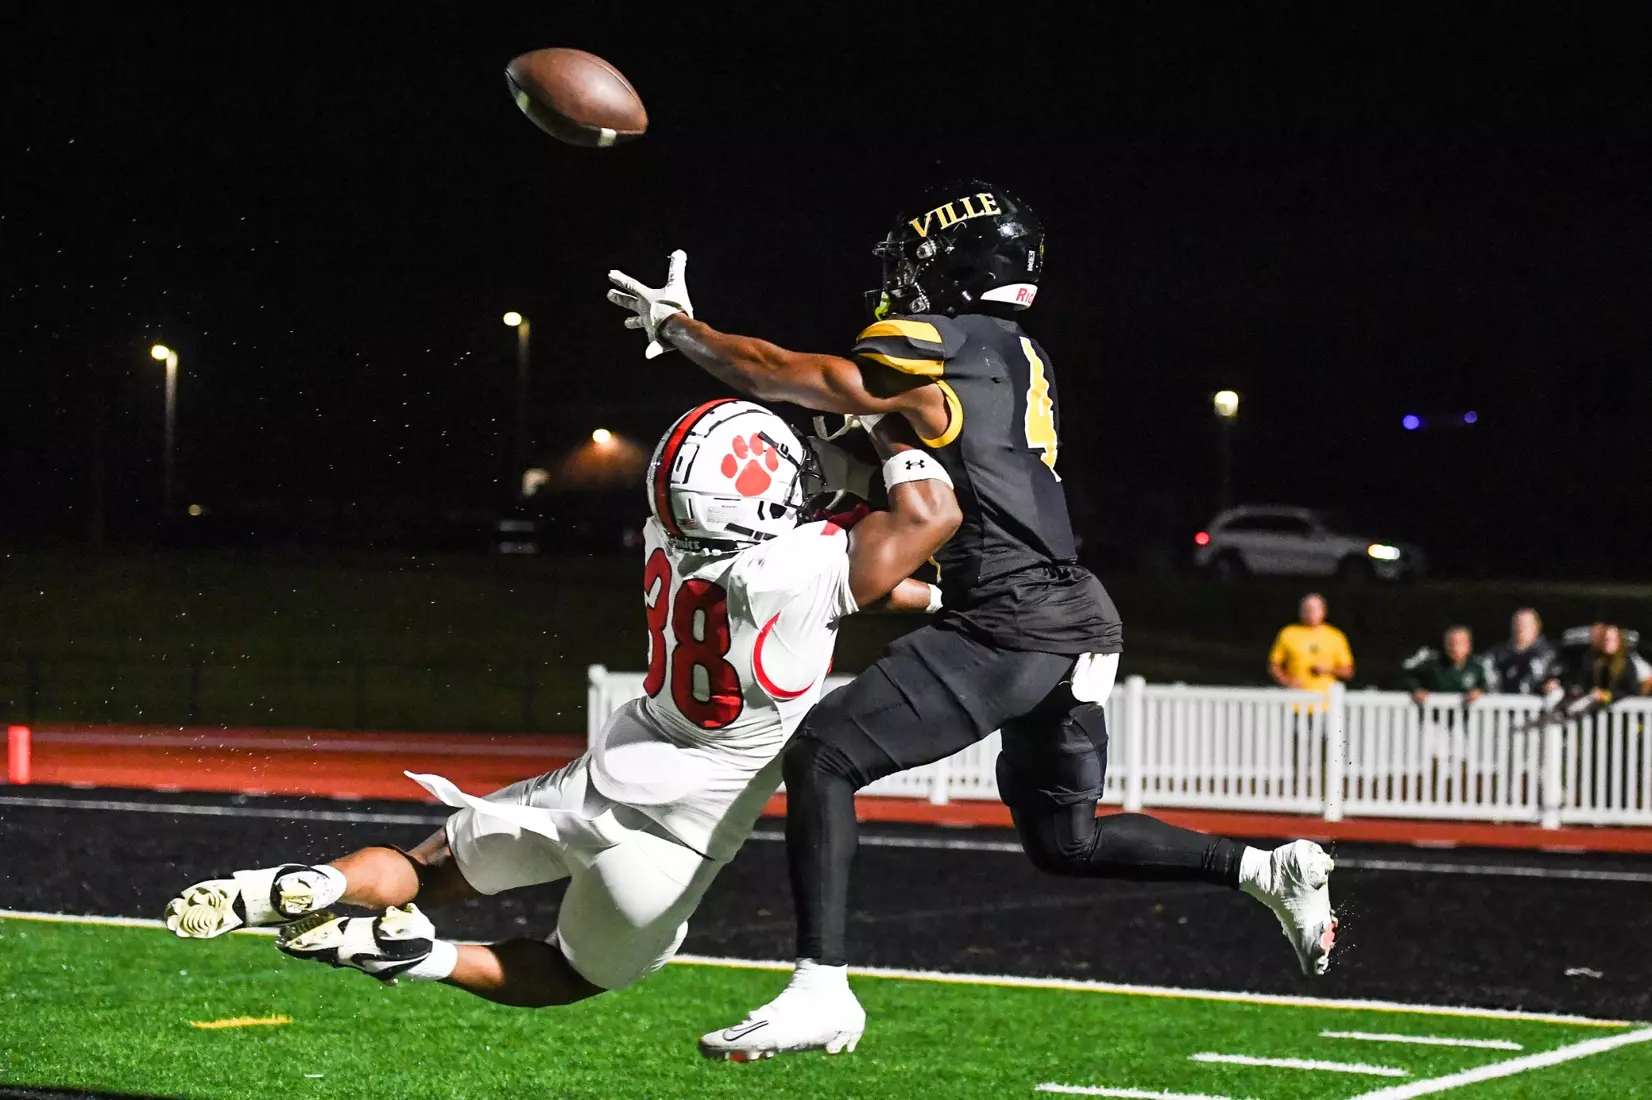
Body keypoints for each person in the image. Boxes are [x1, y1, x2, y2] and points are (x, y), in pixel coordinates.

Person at [606, 181, 1339, 1062]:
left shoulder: (939, 344)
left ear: (954, 268)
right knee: (1067, 842)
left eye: (915, 266)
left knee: (824, 752)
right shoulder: (1015, 354)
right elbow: (926, 465)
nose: (901, 284)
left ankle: (822, 987)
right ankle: (1268, 871)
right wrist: (857, 456)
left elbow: (784, 374)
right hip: (1076, 616)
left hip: (1016, 620)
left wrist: (684, 330)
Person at [161, 400, 961, 1010]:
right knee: (572, 974)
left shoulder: (666, 537)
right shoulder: (801, 567)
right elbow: (928, 515)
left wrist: (920, 596)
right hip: (675, 842)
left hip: (597, 780)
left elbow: (841, 586)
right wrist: (882, 419)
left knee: (421, 871)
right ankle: (423, 959)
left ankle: (301, 886)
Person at [1267, 593, 1355, 693]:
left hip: (1325, 701)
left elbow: (1348, 671)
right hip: (1296, 700)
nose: (1310, 613)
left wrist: (1328, 670)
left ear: (1323, 611)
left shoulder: (1335, 636)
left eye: (1314, 609)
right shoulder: (1288, 633)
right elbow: (1274, 665)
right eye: (1307, 609)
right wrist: (1287, 681)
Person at [1402, 625, 1492, 704]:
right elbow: (1409, 677)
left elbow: (1486, 686)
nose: (1455, 647)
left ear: (1469, 645)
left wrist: (1478, 692)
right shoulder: (1433, 664)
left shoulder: (1476, 666)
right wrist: (1417, 690)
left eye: (1460, 643)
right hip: (1433, 718)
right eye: (1451, 643)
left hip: (1466, 719)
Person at [1485, 608, 1560, 696]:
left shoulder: (1550, 654)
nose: (1521, 628)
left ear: (1537, 626)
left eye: (1526, 625)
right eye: (1517, 624)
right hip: (1503, 704)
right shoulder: (1497, 654)